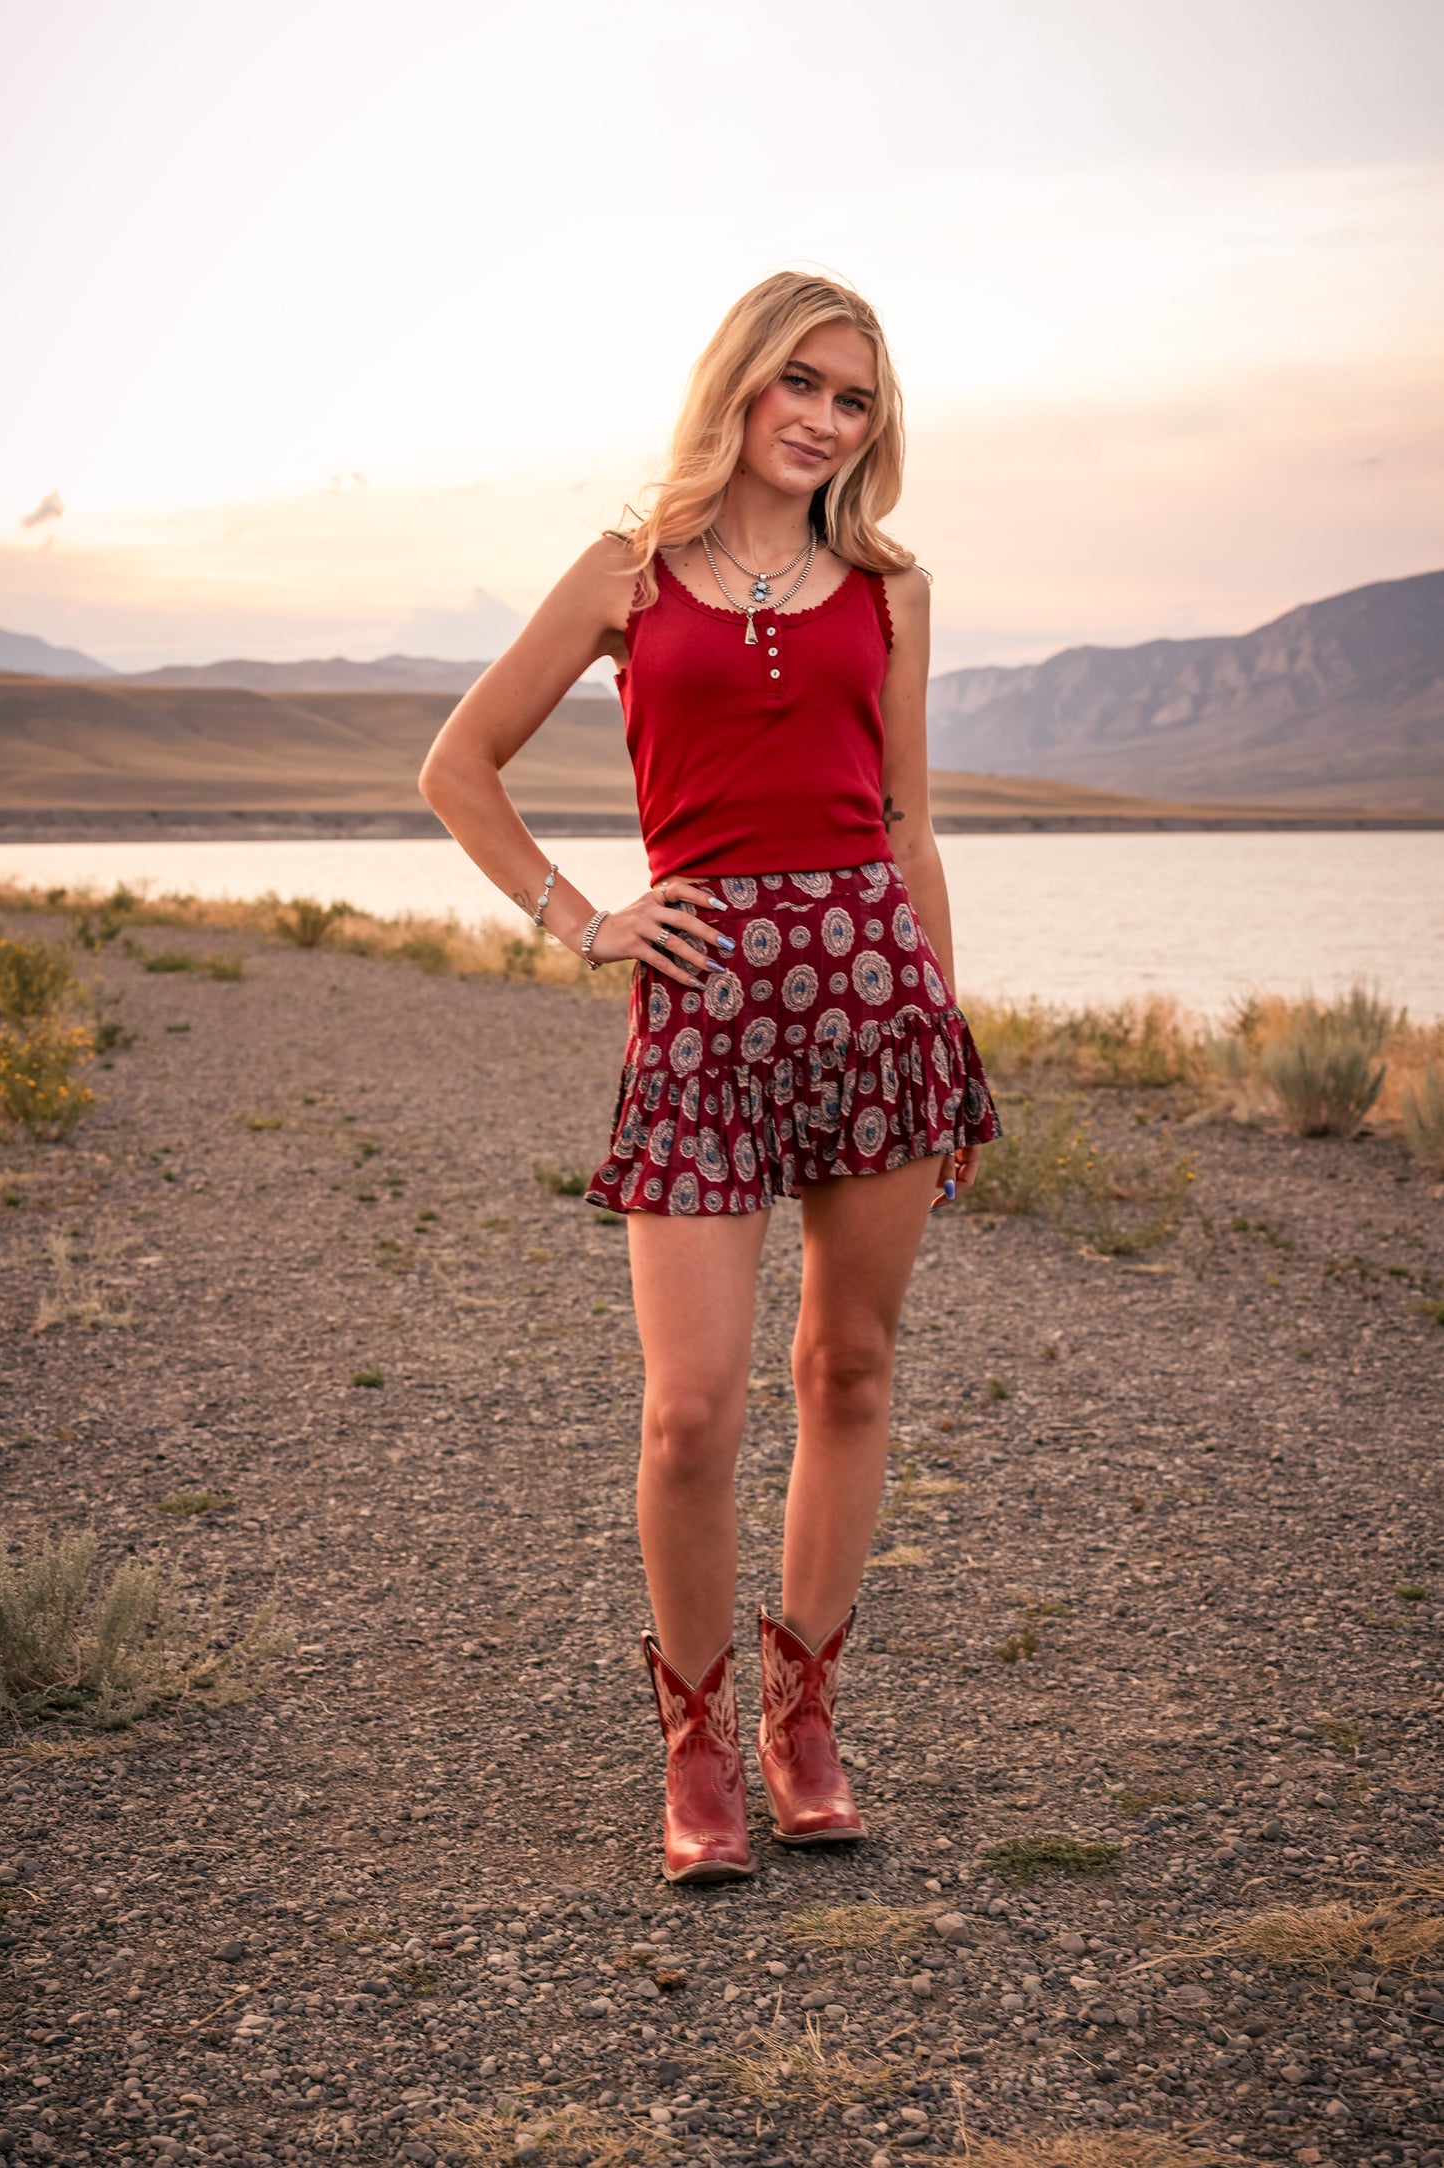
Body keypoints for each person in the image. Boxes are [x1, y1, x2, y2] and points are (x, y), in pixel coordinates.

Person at [419, 271, 1001, 1884]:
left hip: (873, 992)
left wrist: (941, 1029)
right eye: (800, 384)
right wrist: (582, 920)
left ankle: (802, 1720)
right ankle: (692, 1740)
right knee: (687, 1413)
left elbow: (902, 823)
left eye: (856, 399)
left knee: (851, 1371)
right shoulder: (625, 571)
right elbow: (456, 768)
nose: (822, 418)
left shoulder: (890, 586)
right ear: (738, 386)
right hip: (698, 1004)